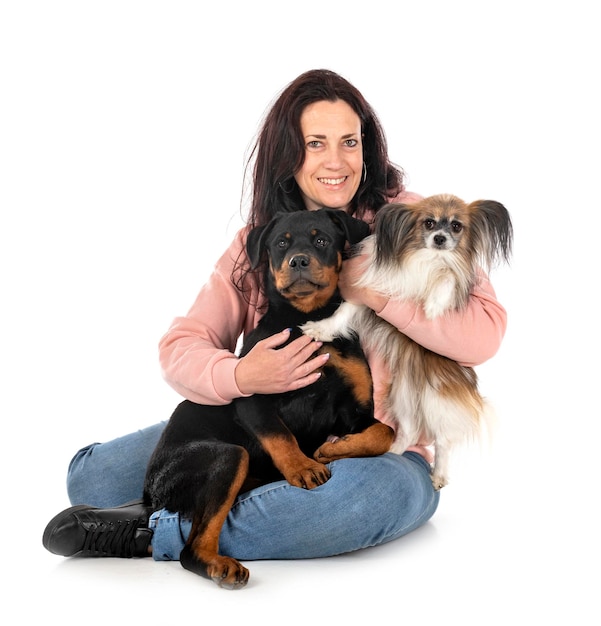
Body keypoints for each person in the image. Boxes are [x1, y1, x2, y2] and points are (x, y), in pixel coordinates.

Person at [43, 69, 507, 562]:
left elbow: (485, 335)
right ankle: (221, 495)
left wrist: (375, 295)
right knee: (91, 478)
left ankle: (155, 532)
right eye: (316, 143)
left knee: (369, 499)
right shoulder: (260, 240)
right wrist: (241, 374)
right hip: (265, 435)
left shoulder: (414, 218)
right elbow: (181, 345)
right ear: (290, 154)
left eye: (349, 142)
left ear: (366, 150)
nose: (336, 161)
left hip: (380, 450)